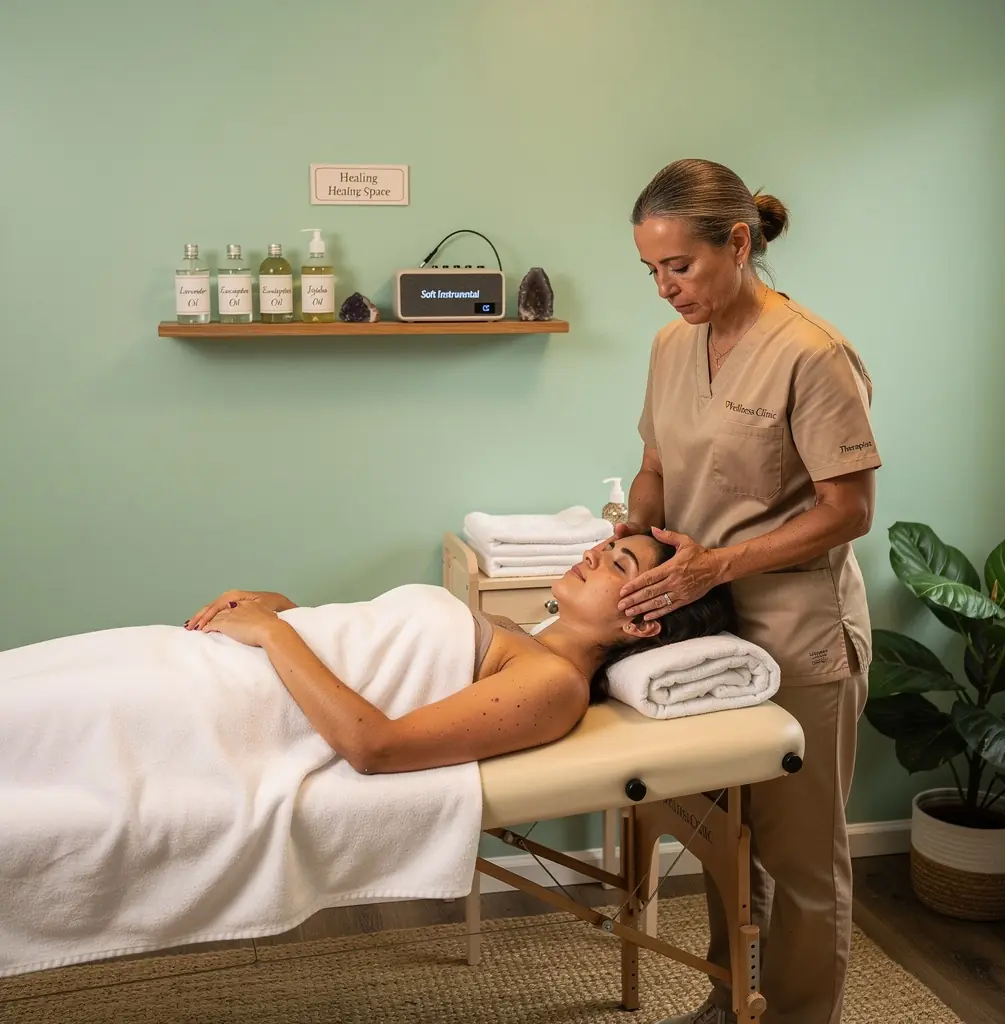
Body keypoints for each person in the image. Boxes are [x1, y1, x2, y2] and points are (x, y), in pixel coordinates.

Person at [612, 159, 881, 1024]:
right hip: (703, 626)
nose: (663, 289)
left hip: (799, 629)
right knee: (730, 844)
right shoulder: (668, 347)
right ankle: (733, 1002)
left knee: (801, 856)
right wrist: (637, 536)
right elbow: (655, 466)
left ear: (737, 243)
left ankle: (802, 1015)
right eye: (650, 270)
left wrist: (717, 564)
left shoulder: (812, 353)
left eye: (678, 267)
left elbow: (851, 510)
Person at [173, 530, 735, 773]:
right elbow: (372, 655)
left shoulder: (555, 684)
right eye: (609, 545)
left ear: (643, 626)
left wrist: (275, 633)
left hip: (223, 698)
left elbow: (375, 748)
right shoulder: (513, 633)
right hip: (216, 656)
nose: (593, 554)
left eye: (619, 564)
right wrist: (283, 609)